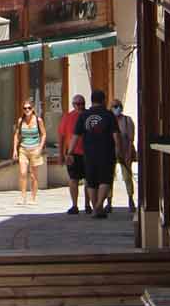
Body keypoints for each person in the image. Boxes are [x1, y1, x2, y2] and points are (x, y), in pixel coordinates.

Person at [77, 89, 119, 218]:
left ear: (91, 100)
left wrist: (69, 152)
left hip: (89, 152)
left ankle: (96, 207)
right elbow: (115, 135)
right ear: (103, 100)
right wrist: (119, 150)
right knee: (105, 179)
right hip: (106, 152)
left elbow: (75, 135)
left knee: (91, 181)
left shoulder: (84, 115)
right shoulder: (109, 115)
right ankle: (98, 206)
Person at [13, 98, 46, 205]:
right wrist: (15, 149)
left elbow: (44, 134)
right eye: (25, 108)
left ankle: (33, 197)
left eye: (29, 108)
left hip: (35, 149)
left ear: (33, 109)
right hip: (23, 149)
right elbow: (17, 135)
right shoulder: (20, 121)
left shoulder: (38, 120)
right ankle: (22, 197)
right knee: (23, 173)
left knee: (33, 175)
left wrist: (40, 148)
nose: (27, 110)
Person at [58, 93, 86, 213]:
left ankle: (88, 205)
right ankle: (74, 205)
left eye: (82, 104)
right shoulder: (67, 117)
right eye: (78, 104)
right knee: (73, 179)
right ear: (73, 105)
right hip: (72, 153)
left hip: (87, 152)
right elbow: (61, 136)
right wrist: (61, 154)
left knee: (88, 180)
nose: (80, 106)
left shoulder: (88, 115)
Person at [112, 98, 137, 208]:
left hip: (125, 151)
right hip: (111, 152)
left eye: (118, 106)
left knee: (127, 176)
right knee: (108, 178)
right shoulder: (109, 120)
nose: (117, 108)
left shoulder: (127, 120)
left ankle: (130, 198)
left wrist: (129, 153)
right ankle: (109, 201)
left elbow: (131, 138)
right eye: (114, 106)